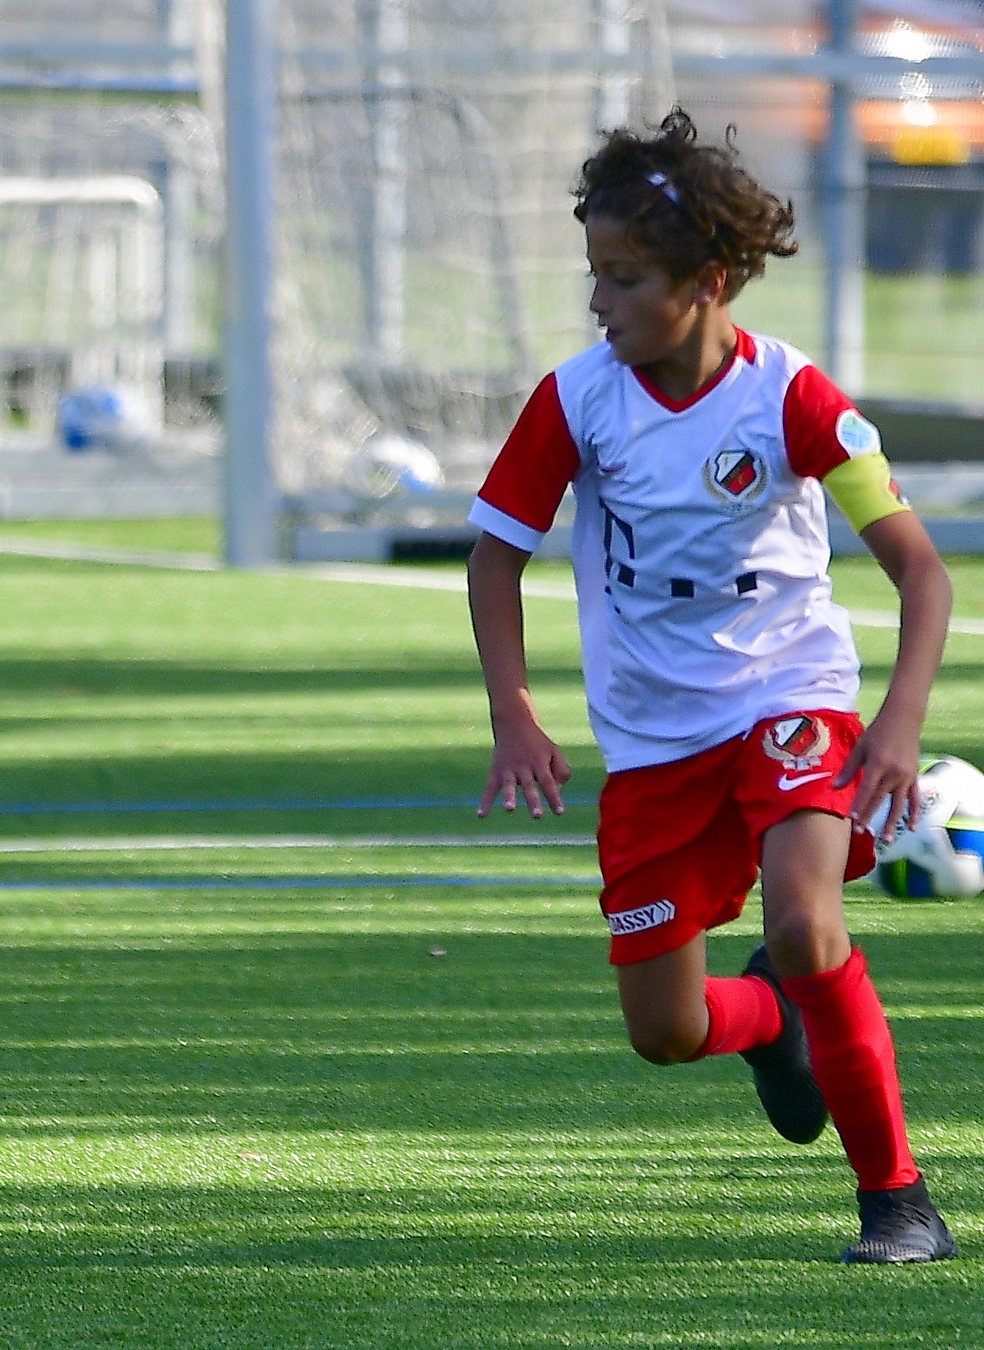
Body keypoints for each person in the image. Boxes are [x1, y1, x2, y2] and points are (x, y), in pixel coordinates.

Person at [468, 110, 954, 1262]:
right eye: (595, 274)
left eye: (624, 278)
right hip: (650, 738)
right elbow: (496, 555)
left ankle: (899, 1202)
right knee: (668, 1031)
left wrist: (893, 725)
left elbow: (921, 574)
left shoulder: (793, 398)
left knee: (803, 918)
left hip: (787, 695)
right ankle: (775, 1016)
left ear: (711, 279)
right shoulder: (579, 399)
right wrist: (515, 716)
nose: (600, 303)